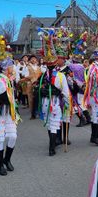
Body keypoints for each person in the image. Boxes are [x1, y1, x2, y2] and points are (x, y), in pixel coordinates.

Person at [36, 28, 71, 156]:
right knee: (55, 124)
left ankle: (52, 145)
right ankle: (52, 148)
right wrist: (67, 105)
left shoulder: (44, 75)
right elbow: (66, 93)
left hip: (46, 103)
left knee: (50, 123)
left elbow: (39, 88)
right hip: (55, 103)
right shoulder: (60, 76)